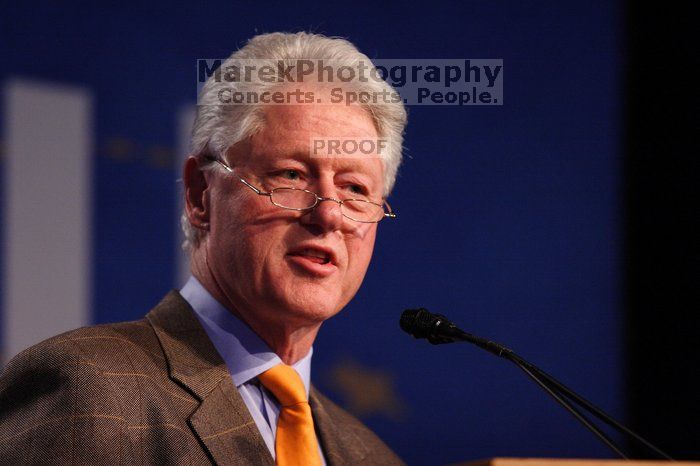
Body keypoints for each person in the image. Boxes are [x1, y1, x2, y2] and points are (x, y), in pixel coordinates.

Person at [0, 32, 407, 465]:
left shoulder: (371, 456)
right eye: (290, 175)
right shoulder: (90, 390)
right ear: (200, 194)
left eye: (355, 189)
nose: (329, 215)